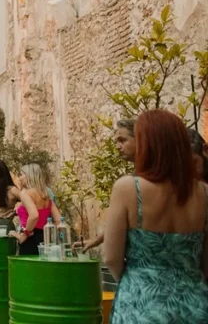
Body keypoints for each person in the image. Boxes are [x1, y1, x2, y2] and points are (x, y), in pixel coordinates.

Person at [104, 110, 208, 323]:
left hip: (141, 303)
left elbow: (111, 258)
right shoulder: (204, 193)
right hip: (194, 304)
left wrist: (136, 280)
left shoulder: (127, 188)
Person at [81, 119, 136, 252]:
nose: (117, 146)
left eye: (122, 140)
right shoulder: (134, 177)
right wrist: (95, 241)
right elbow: (119, 224)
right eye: (116, 142)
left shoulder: (152, 178)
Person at [12, 163, 62, 255]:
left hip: (29, 239)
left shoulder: (26, 193)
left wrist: (25, 234)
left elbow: (34, 215)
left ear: (29, 176)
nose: (19, 178)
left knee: (28, 267)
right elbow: (59, 220)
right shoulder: (45, 195)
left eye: (21, 174)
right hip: (44, 238)